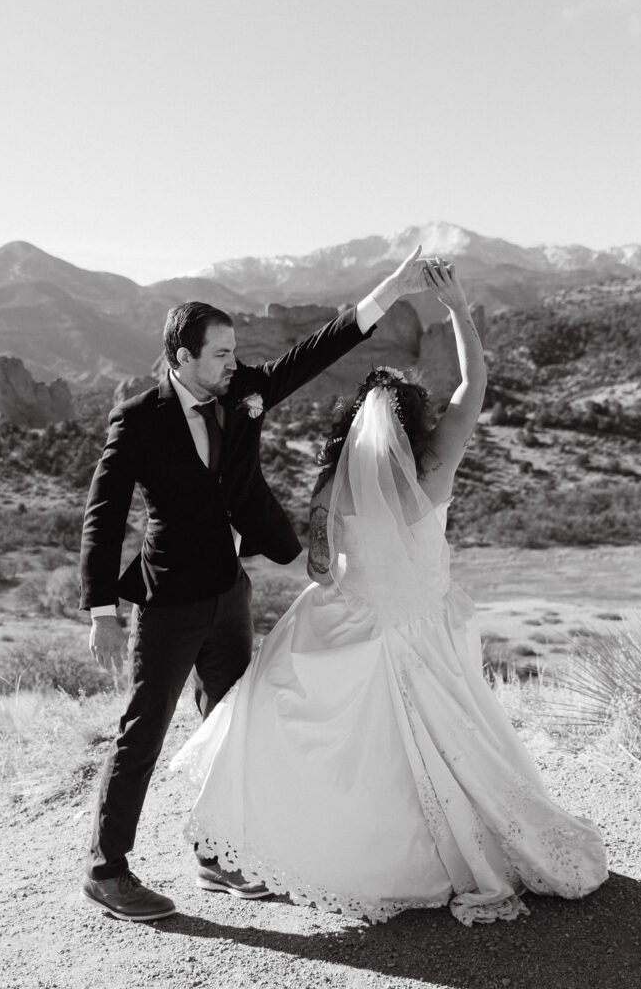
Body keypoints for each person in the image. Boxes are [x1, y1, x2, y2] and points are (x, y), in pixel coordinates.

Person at [171, 260, 608, 926]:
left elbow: (318, 568)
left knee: (276, 708)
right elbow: (473, 382)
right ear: (415, 424)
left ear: (352, 434)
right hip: (426, 630)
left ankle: (299, 843)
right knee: (459, 750)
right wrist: (458, 308)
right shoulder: (436, 465)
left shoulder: (329, 484)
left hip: (350, 621)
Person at [79, 246, 433, 921]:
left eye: (234, 351)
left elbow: (315, 349)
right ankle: (106, 870)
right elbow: (103, 516)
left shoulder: (238, 390)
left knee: (233, 725)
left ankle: (218, 856)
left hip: (229, 591)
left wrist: (389, 289)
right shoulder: (137, 419)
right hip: (169, 599)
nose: (231, 364)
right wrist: (101, 609)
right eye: (218, 354)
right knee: (143, 731)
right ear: (179, 357)